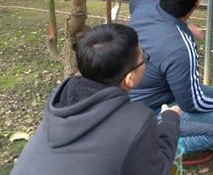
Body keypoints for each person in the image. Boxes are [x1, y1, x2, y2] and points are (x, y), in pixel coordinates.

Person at [11, 24, 181, 175]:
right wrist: (170, 121)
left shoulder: (61, 101)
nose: (145, 60)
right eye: (143, 58)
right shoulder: (137, 120)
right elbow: (157, 169)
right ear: (130, 78)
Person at [128, 0, 213, 155]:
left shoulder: (143, 5)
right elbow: (192, 102)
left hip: (139, 94)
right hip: (144, 113)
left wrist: (182, 26)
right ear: (197, 3)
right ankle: (157, 150)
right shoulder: (180, 48)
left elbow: (133, 3)